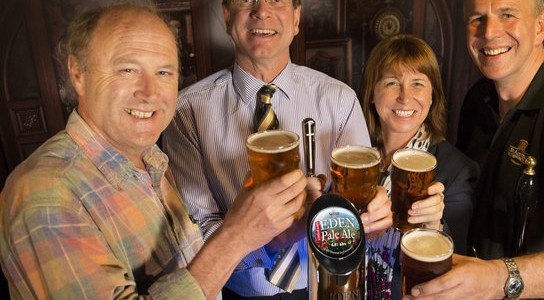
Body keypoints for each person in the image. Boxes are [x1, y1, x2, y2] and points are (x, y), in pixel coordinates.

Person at [0, 3, 308, 299]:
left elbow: (195, 271)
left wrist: (272, 235)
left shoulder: (150, 160)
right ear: (78, 73)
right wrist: (234, 236)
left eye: (164, 73)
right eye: (127, 69)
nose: (149, 93)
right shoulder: (44, 194)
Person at [161, 0, 393, 298]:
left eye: (276, 0)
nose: (262, 10)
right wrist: (272, 238)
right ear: (227, 15)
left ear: (296, 18)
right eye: (246, 0)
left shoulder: (340, 100)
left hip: (325, 288)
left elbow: (356, 212)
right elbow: (195, 233)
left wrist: (372, 217)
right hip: (233, 292)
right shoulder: (186, 111)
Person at [404, 0, 544, 299]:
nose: (489, 33)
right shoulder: (479, 98)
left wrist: (496, 278)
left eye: (507, 15)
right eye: (477, 19)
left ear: (540, 26)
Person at [359, 34, 479, 299]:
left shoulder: (457, 169)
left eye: (417, 84)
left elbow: (457, 265)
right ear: (371, 93)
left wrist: (434, 227)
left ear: (433, 96)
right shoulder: (353, 157)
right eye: (392, 82)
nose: (405, 97)